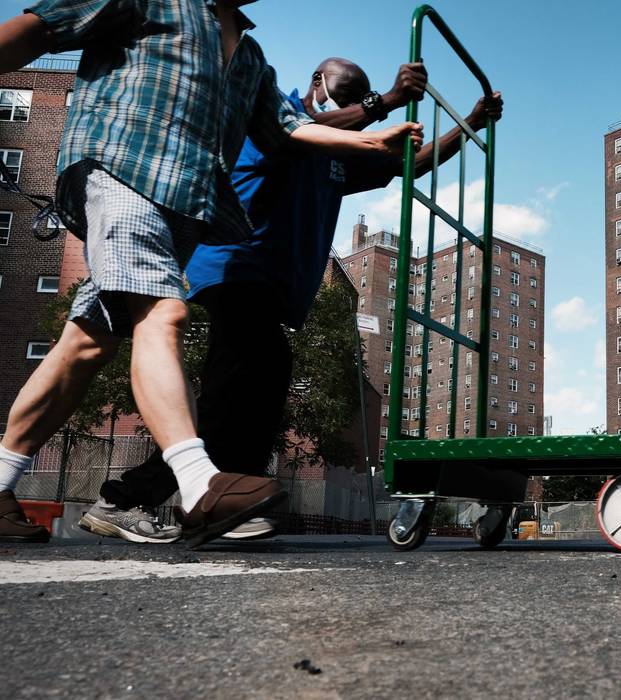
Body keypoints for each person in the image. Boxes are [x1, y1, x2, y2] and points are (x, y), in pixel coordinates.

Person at [0, 0, 424, 548]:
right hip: (120, 172)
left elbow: (289, 129)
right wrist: (381, 107)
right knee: (164, 313)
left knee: (86, 344)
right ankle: (200, 485)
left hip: (181, 210)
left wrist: (371, 138)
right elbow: (37, 30)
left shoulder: (248, 58)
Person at [81, 55, 503, 542]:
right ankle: (128, 498)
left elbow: (411, 163)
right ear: (317, 83)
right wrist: (384, 101)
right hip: (234, 264)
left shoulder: (341, 150)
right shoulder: (281, 117)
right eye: (343, 98)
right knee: (240, 380)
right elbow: (298, 131)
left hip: (274, 282)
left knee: (255, 385)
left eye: (356, 102)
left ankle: (227, 499)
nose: (352, 109)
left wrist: (470, 123)